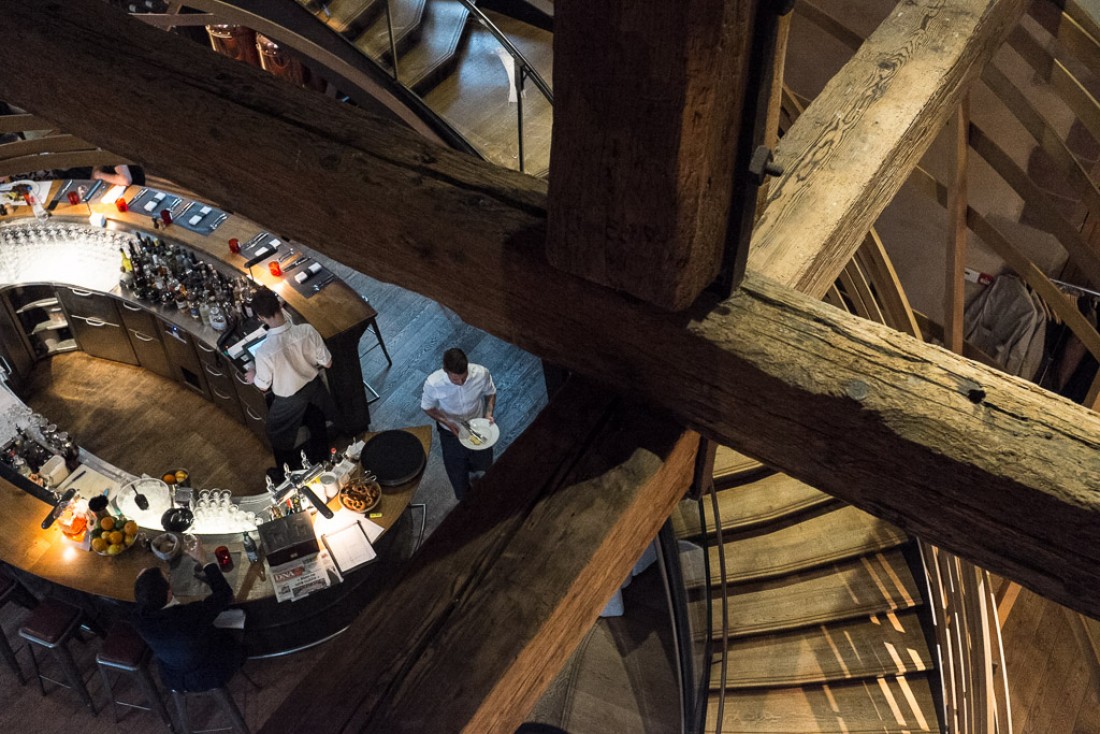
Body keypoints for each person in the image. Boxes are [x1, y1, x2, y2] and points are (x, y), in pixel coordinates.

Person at [245, 288, 336, 479]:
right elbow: (327, 362)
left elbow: (263, 386)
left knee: (274, 432)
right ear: (280, 304)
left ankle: (286, 473)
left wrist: (253, 375)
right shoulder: (307, 331)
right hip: (315, 392)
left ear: (261, 317)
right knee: (316, 421)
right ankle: (323, 460)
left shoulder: (264, 351)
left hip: (289, 401)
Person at [132, 545, 245, 692]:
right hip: (209, 672)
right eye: (168, 577)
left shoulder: (137, 617)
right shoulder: (188, 615)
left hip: (173, 675)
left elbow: (143, 600)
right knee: (238, 615)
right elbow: (224, 594)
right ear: (169, 595)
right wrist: (204, 561)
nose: (169, 577)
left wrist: (143, 585)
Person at [421, 347, 497, 500]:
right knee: (456, 470)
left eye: (464, 377)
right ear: (445, 370)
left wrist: (488, 412)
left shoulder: (481, 374)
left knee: (484, 461)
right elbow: (427, 407)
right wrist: (446, 422)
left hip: (477, 425)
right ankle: (464, 499)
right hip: (450, 430)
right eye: (455, 379)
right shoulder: (433, 383)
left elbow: (491, 393)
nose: (461, 382)